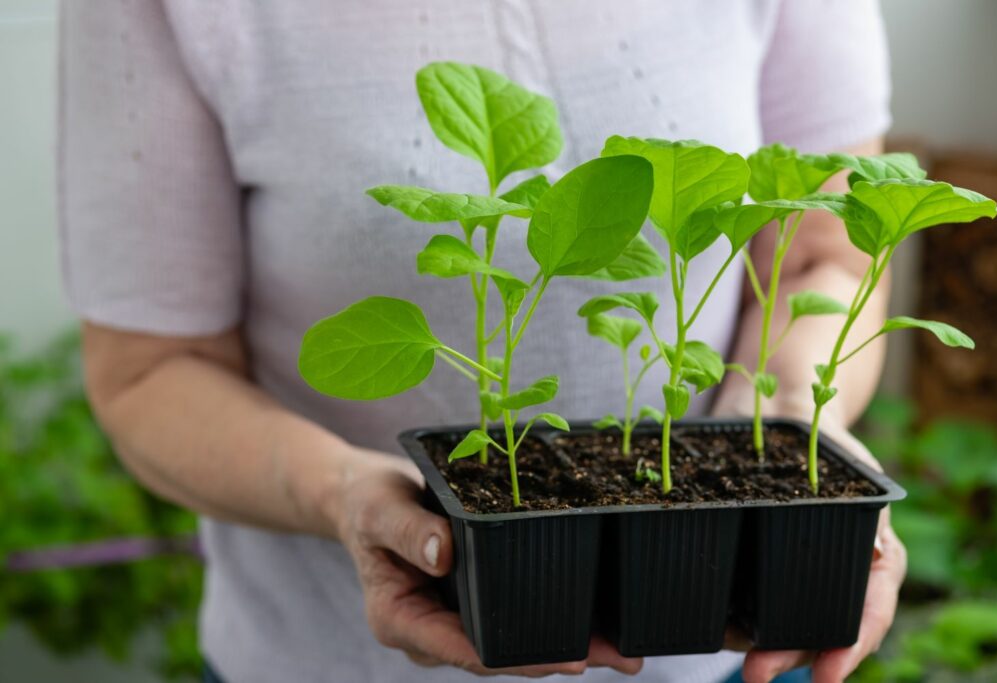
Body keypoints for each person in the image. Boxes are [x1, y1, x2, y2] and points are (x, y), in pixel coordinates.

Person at [59, 1, 906, 681]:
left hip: (729, 647)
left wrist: (793, 431)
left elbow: (822, 251)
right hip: (318, 657)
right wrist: (343, 492)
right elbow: (151, 369)